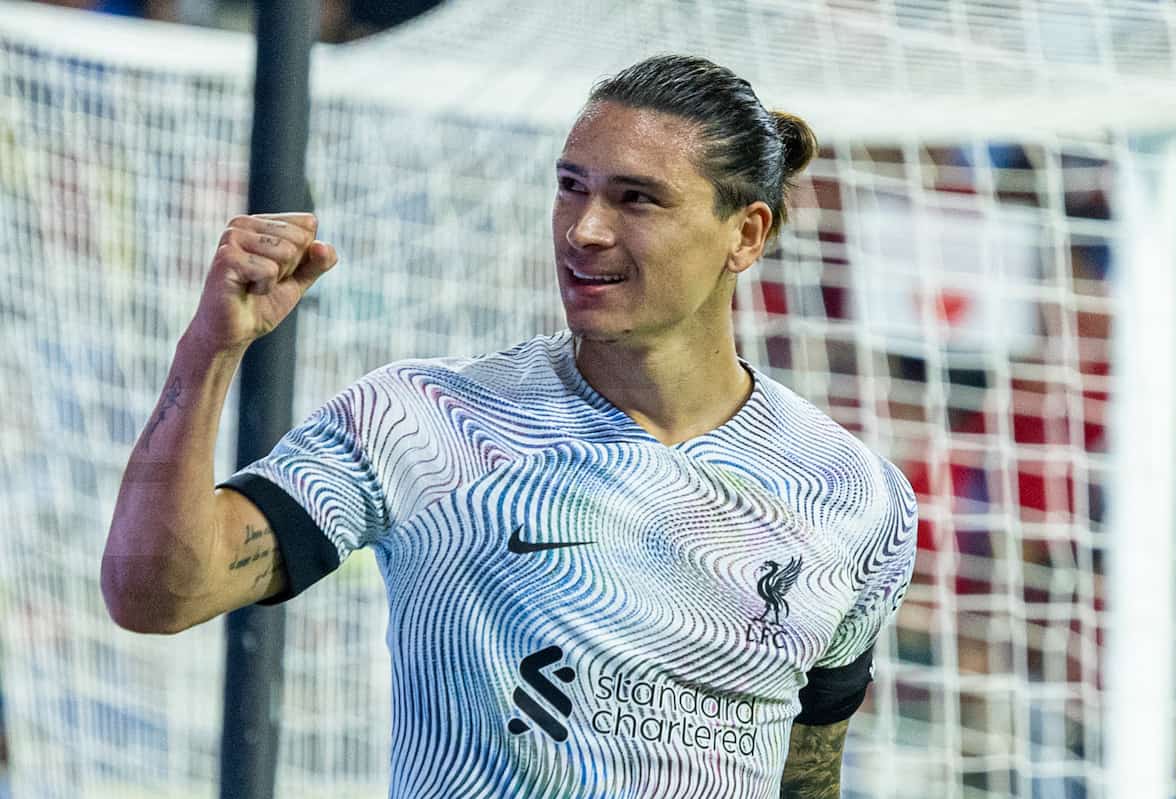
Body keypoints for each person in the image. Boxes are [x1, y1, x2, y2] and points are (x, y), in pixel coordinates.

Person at [102, 54, 918, 799]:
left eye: (636, 198)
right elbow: (156, 595)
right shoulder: (424, 419)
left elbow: (810, 776)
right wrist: (208, 351)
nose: (584, 229)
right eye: (571, 186)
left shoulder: (854, 494)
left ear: (745, 235)